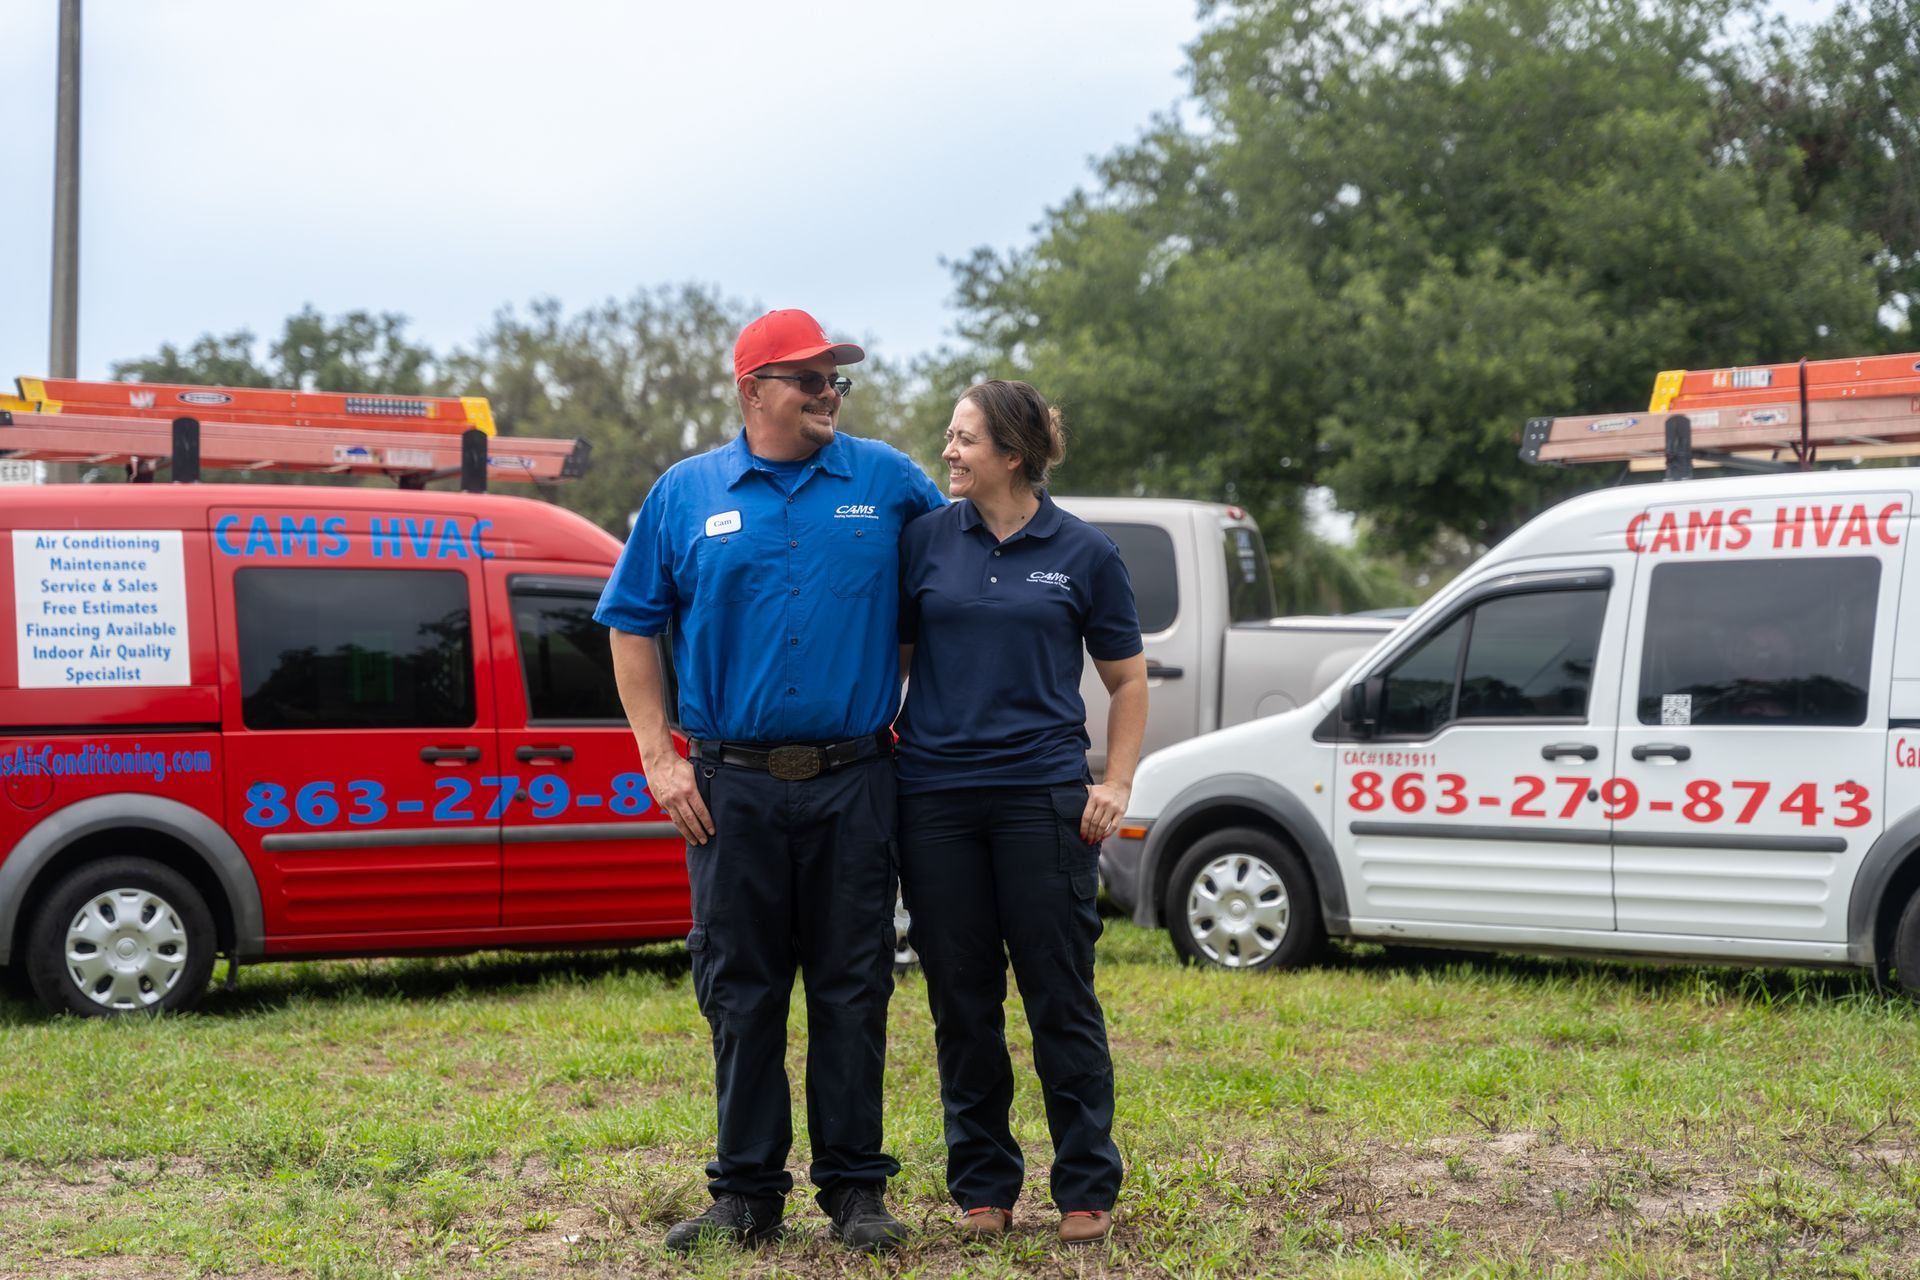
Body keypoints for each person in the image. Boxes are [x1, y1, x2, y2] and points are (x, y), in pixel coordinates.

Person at [595, 309, 945, 1254]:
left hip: (855, 781)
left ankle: (855, 1192)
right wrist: (658, 760)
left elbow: (954, 584)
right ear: (753, 390)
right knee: (741, 991)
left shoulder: (888, 483)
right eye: (809, 379)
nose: (830, 393)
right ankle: (745, 1194)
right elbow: (632, 623)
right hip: (729, 789)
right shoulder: (683, 495)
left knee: (852, 986)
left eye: (837, 379)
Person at [894, 380, 1147, 1246]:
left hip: (1042, 800)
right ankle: (983, 1186)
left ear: (1013, 453)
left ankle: (1085, 1187)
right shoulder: (923, 541)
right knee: (961, 1001)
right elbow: (891, 659)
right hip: (933, 802)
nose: (949, 452)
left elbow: (1127, 680)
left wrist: (1113, 782)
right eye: (949, 436)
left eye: (964, 439)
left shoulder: (1083, 552)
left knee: (1058, 995)